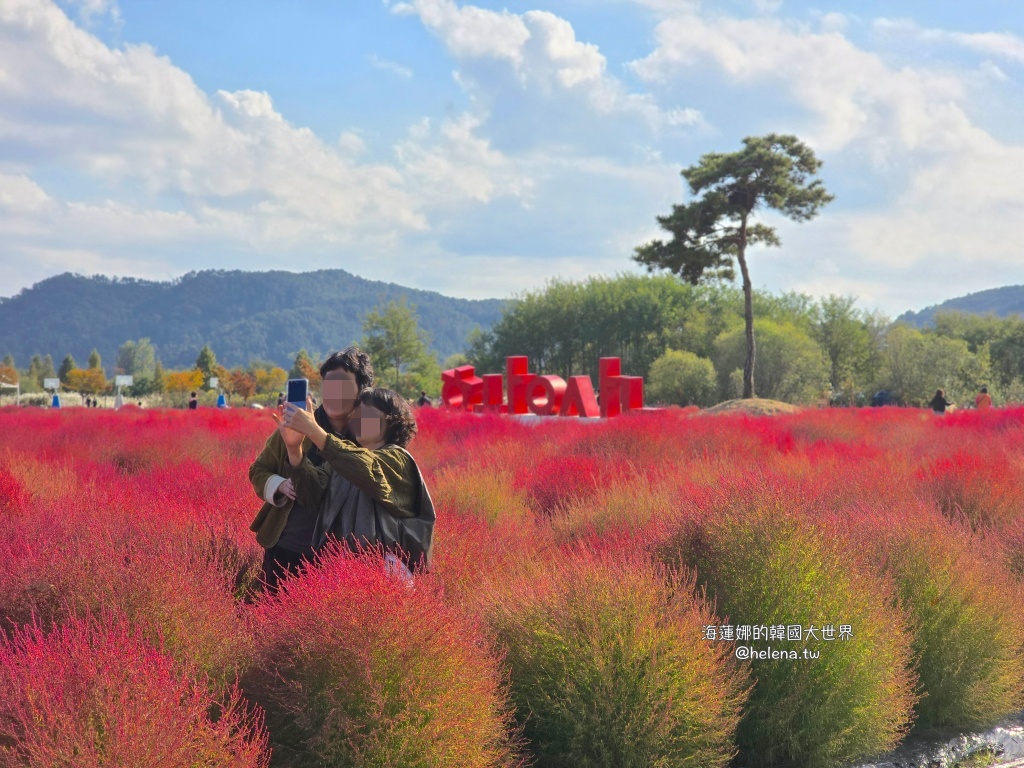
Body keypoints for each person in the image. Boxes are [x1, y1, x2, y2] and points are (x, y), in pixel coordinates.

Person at [248, 347, 373, 593]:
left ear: (361, 390)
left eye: (344, 385)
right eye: (329, 384)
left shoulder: (368, 434)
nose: (335, 392)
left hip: (340, 558)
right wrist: (279, 485)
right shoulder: (296, 424)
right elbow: (259, 470)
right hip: (288, 545)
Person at [279, 387, 435, 577]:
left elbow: (369, 470)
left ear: (391, 420)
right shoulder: (342, 461)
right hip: (340, 570)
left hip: (383, 575)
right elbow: (312, 496)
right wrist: (294, 450)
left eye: (367, 413)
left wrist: (315, 432)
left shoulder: (397, 459)